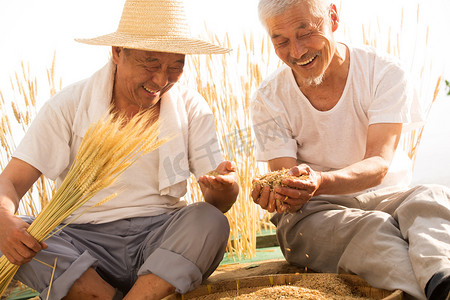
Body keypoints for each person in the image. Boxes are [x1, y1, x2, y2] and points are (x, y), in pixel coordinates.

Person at [0, 0, 239, 299]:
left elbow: (217, 202)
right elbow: (10, 181)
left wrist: (225, 188)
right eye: (151, 64)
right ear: (117, 52)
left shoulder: (191, 107)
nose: (162, 80)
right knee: (13, 234)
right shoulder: (68, 105)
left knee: (209, 221)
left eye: (175, 67)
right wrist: (3, 219)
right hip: (81, 244)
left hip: (160, 240)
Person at [250, 0, 450, 299]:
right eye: (281, 41)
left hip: (387, 196)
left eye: (305, 33)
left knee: (431, 197)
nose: (297, 52)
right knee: (372, 229)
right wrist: (282, 193)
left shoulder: (383, 72)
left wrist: (321, 180)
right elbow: (285, 181)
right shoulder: (268, 98)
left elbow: (380, 163)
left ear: (332, 16)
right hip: (314, 212)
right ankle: (433, 290)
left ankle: (441, 276)